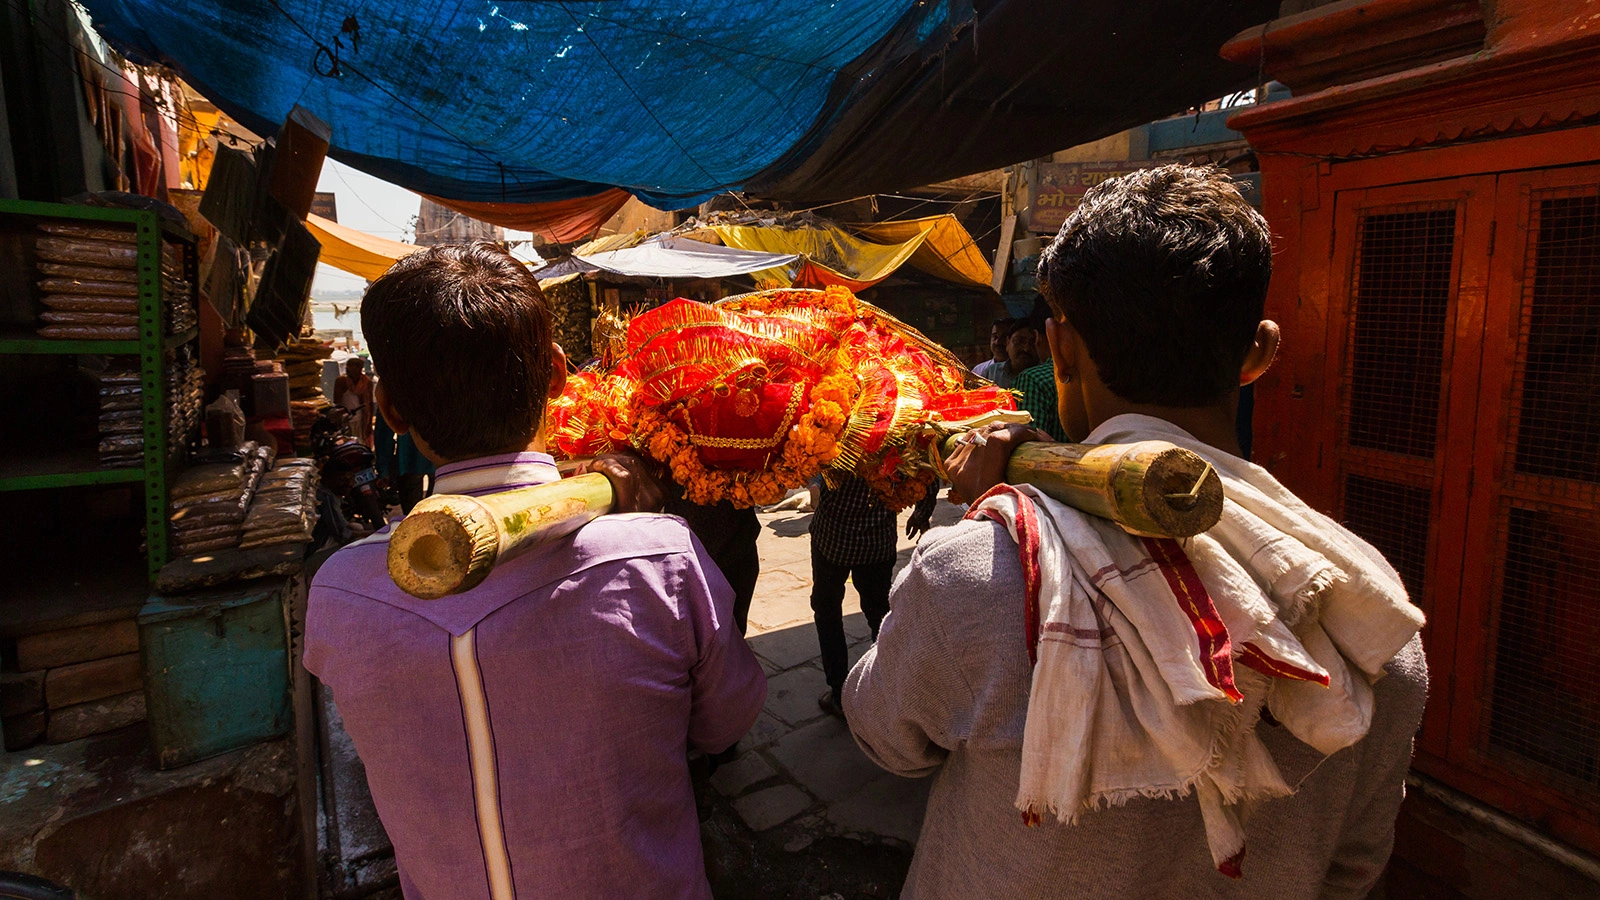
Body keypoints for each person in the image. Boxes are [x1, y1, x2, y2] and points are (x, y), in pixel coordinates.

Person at [844, 166, 1428, 899]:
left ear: (1061, 350)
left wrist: (985, 517)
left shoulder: (970, 580)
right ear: (1259, 353)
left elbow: (883, 738)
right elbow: (1352, 869)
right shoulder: (1375, 619)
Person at [303, 244, 767, 900]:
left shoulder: (337, 594)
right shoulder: (662, 558)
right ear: (557, 375)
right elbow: (726, 721)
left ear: (389, 410)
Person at [810, 473, 938, 717]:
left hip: (833, 539)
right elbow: (928, 465)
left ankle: (839, 691)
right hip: (877, 542)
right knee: (880, 615)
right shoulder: (898, 433)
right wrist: (922, 511)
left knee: (828, 611)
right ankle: (885, 688)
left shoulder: (837, 434)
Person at [1011, 300, 1067, 442]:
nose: (1026, 349)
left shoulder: (1032, 380)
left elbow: (1026, 447)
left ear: (1037, 337)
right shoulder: (1096, 375)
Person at [333, 357, 374, 447]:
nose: (349, 369)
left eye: (354, 367)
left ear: (360, 368)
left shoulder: (367, 383)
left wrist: (369, 423)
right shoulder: (341, 381)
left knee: (360, 445)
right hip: (346, 421)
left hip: (361, 420)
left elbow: (370, 404)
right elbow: (336, 403)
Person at [972, 317, 1015, 388]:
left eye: (1003, 337)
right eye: (995, 337)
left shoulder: (1019, 370)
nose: (998, 342)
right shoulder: (979, 370)